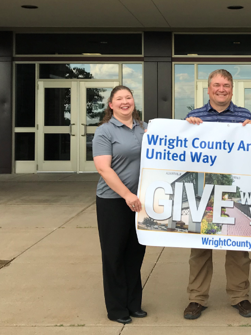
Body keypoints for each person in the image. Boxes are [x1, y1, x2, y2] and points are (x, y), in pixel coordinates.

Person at [183, 69, 251, 320]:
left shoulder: (245, 116)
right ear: (208, 89)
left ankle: (240, 296)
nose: (221, 89)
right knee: (200, 248)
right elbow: (184, 153)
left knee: (238, 247)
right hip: (204, 191)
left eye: (226, 85)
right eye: (216, 85)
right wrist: (188, 129)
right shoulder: (194, 116)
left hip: (236, 190)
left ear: (232, 89)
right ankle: (196, 298)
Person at [92, 85, 147, 325]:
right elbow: (104, 168)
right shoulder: (105, 132)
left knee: (135, 254)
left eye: (129, 97)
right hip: (113, 202)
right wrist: (126, 194)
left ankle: (134, 304)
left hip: (141, 201)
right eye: (119, 99)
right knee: (114, 255)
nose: (125, 102)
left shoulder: (144, 129)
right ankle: (116, 308)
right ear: (111, 105)